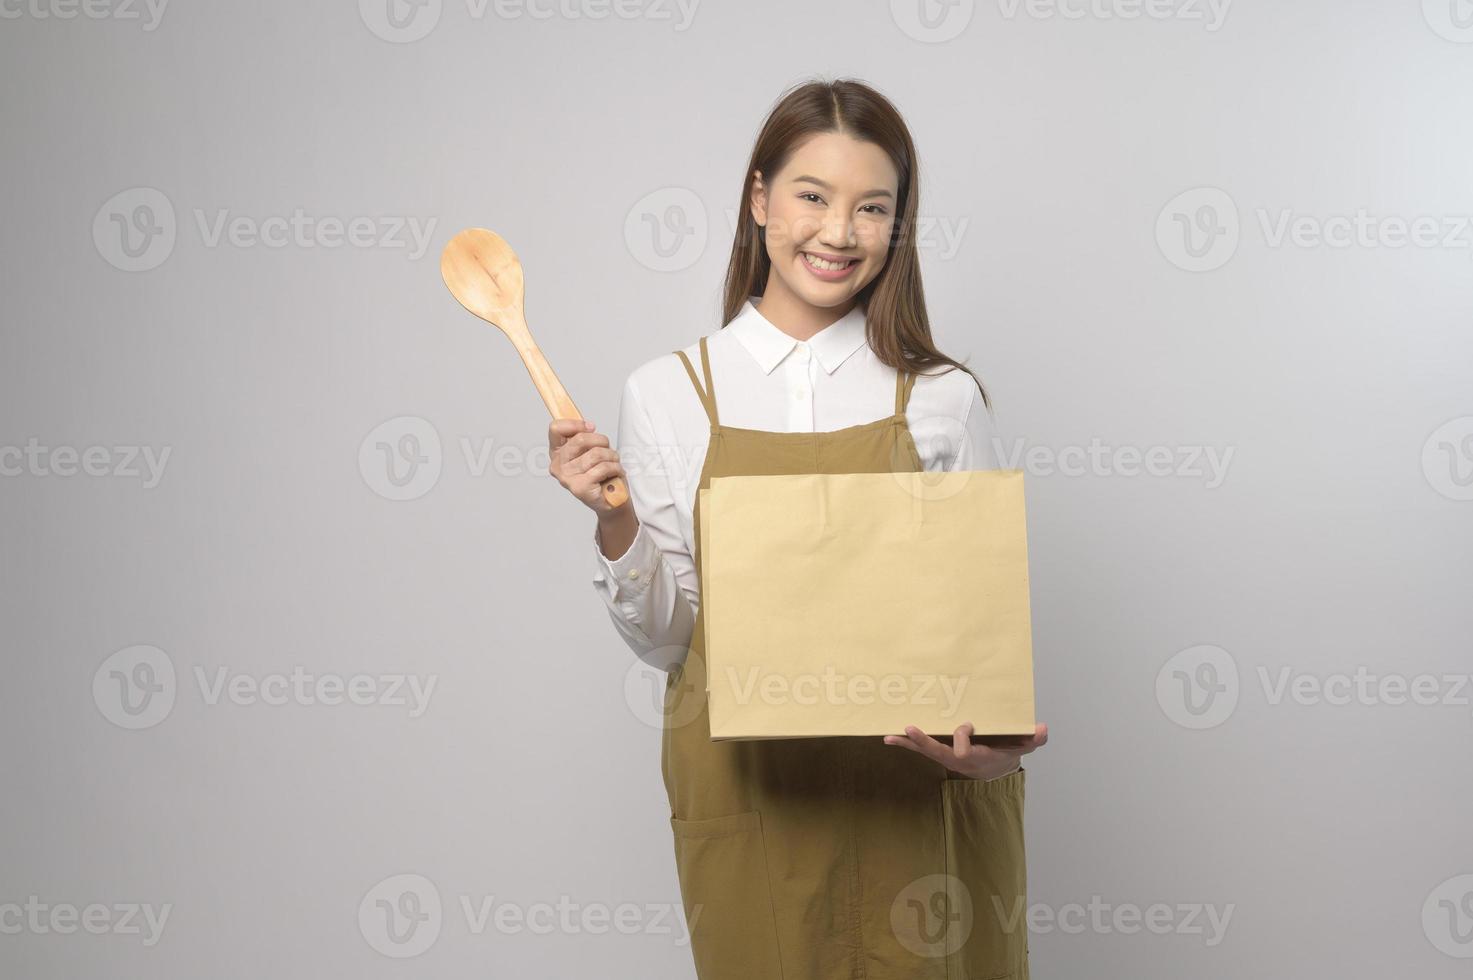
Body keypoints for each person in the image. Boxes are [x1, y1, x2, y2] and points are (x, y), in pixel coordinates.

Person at [549, 77, 1048, 980]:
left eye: (871, 208)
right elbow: (672, 644)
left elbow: (978, 645)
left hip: (915, 807)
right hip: (752, 802)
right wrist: (615, 522)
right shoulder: (668, 392)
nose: (837, 231)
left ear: (895, 227)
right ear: (758, 200)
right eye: (811, 196)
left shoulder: (941, 397)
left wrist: (986, 754)